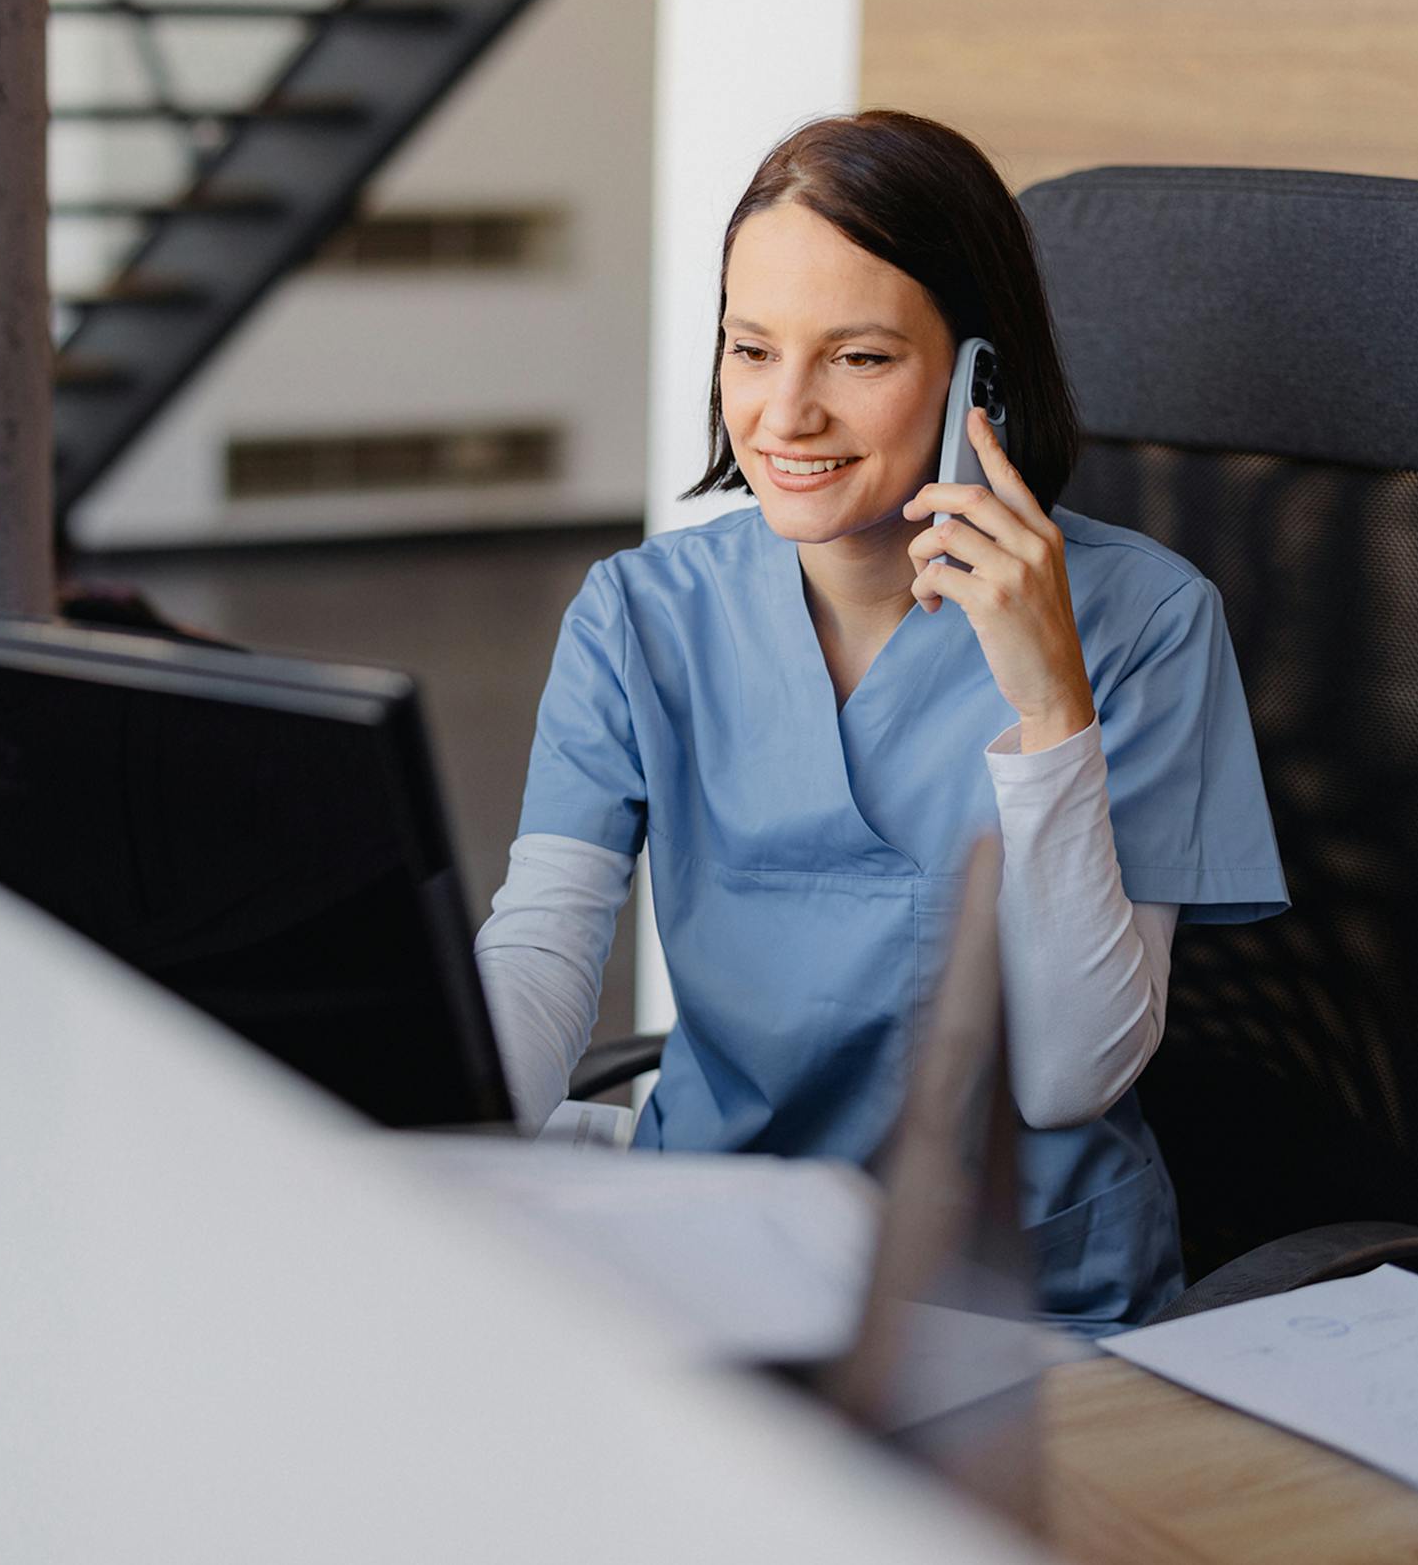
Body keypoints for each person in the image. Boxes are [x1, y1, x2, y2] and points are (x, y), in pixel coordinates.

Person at [474, 111, 1288, 1333]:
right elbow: (543, 949)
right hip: (711, 1263)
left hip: (1009, 1307)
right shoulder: (640, 614)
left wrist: (1047, 706)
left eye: (857, 358)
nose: (784, 414)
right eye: (751, 349)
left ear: (980, 375)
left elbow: (1070, 1077)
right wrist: (423, 1125)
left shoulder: (1148, 625)